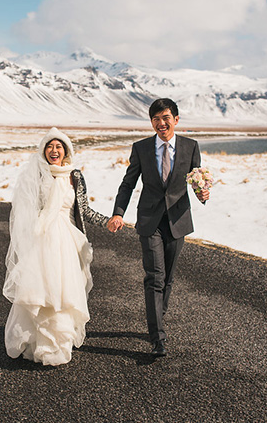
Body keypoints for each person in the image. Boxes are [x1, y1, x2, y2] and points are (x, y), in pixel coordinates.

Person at [107, 98, 210, 358]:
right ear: (151, 122)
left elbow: (195, 178)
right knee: (154, 276)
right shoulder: (141, 148)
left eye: (166, 118)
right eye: (156, 119)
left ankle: (157, 320)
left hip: (178, 220)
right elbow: (128, 184)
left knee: (168, 278)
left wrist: (202, 192)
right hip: (149, 220)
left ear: (176, 120)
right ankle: (158, 338)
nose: (161, 123)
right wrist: (118, 213)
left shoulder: (190, 147)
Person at [3, 127, 110, 366]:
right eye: (50, 146)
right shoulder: (38, 175)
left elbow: (84, 210)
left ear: (66, 151)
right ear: (44, 151)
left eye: (59, 146)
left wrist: (108, 221)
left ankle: (58, 345)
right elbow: (24, 211)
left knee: (64, 293)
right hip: (41, 243)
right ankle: (36, 343)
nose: (54, 151)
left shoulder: (75, 177)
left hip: (67, 243)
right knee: (41, 294)